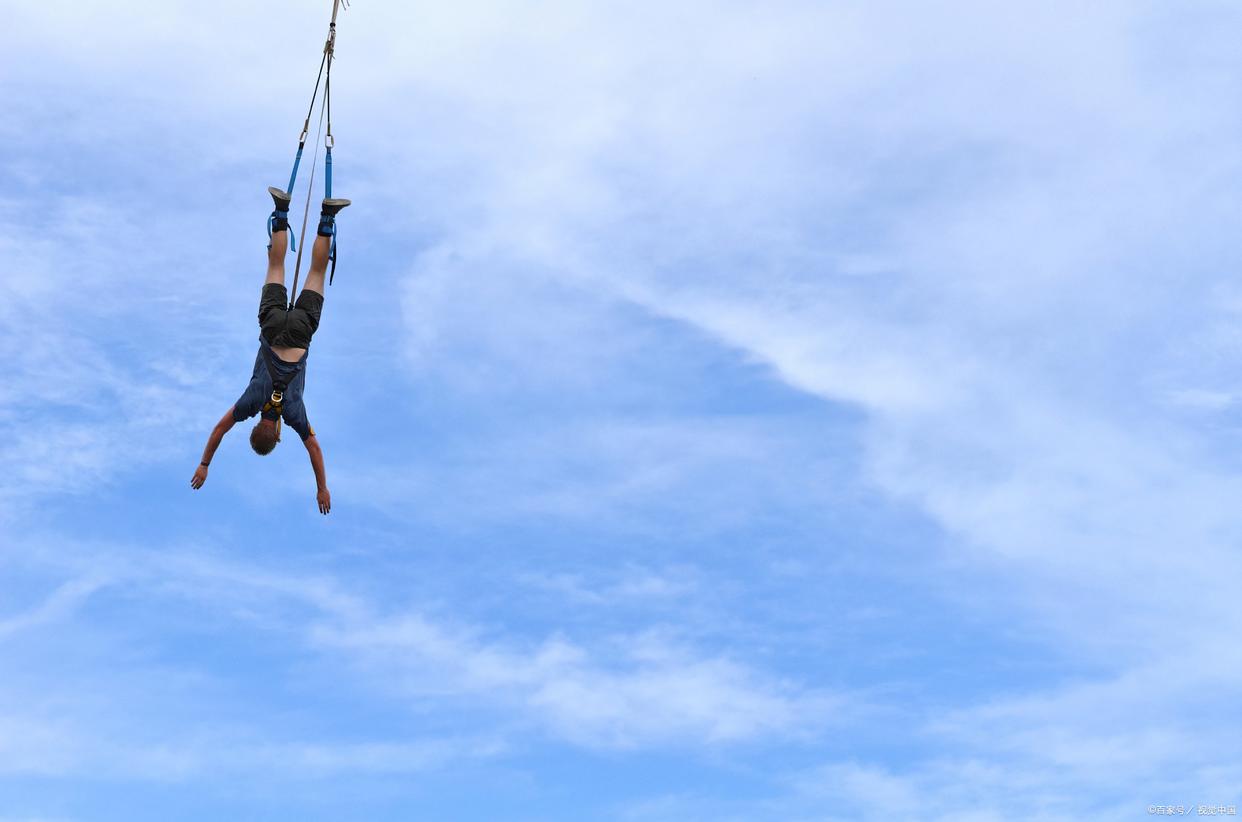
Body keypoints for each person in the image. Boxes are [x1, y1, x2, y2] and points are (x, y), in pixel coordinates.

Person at [190, 187, 350, 515]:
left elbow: (314, 450)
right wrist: (204, 463)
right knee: (276, 266)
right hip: (272, 326)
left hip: (300, 335)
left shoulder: (294, 414)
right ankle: (280, 211)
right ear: (257, 425)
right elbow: (219, 428)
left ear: (277, 432)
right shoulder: (250, 403)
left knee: (315, 274)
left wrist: (322, 487)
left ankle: (327, 217)